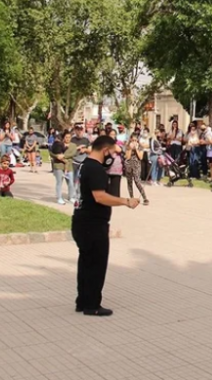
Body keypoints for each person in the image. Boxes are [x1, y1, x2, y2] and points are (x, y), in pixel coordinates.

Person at [72, 135, 139, 317]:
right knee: (96, 264)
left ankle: (83, 300)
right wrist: (126, 201)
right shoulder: (96, 169)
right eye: (112, 152)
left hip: (81, 220)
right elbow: (100, 196)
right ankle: (92, 304)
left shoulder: (85, 165)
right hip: (92, 224)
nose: (113, 156)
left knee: (86, 262)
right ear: (105, 150)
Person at [50, 131, 75, 205]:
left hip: (69, 166)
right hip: (59, 165)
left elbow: (72, 153)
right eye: (66, 137)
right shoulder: (58, 144)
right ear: (63, 137)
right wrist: (57, 156)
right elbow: (51, 152)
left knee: (70, 182)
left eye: (69, 137)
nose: (68, 139)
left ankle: (71, 197)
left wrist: (64, 156)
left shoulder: (73, 145)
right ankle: (59, 198)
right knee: (59, 182)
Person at [124, 134, 149, 205]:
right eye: (133, 140)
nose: (134, 142)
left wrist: (136, 149)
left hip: (136, 165)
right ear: (130, 140)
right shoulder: (128, 147)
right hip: (128, 165)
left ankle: (145, 198)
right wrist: (131, 149)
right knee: (129, 182)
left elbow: (140, 157)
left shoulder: (140, 147)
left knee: (137, 181)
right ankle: (131, 197)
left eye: (135, 140)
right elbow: (127, 157)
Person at [71, 124, 91, 198]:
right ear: (75, 130)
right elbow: (69, 150)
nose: (79, 131)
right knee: (73, 179)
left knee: (81, 179)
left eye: (80, 130)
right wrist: (78, 148)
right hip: (73, 161)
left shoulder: (86, 140)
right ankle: (72, 193)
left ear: (82, 131)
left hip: (82, 162)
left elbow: (90, 150)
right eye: (77, 130)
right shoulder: (72, 140)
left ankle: (79, 193)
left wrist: (85, 150)